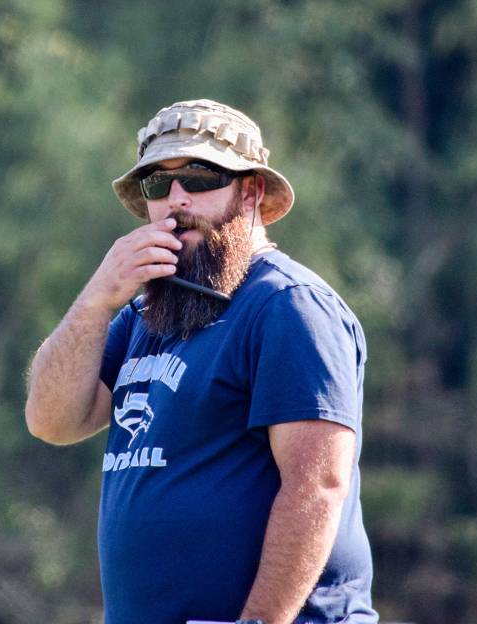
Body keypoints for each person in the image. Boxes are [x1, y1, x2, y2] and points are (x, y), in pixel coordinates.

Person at [25, 99, 377, 624]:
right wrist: (98, 296)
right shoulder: (145, 313)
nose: (176, 199)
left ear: (251, 191)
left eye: (200, 176)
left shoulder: (287, 305)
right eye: (156, 184)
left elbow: (317, 485)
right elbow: (52, 421)